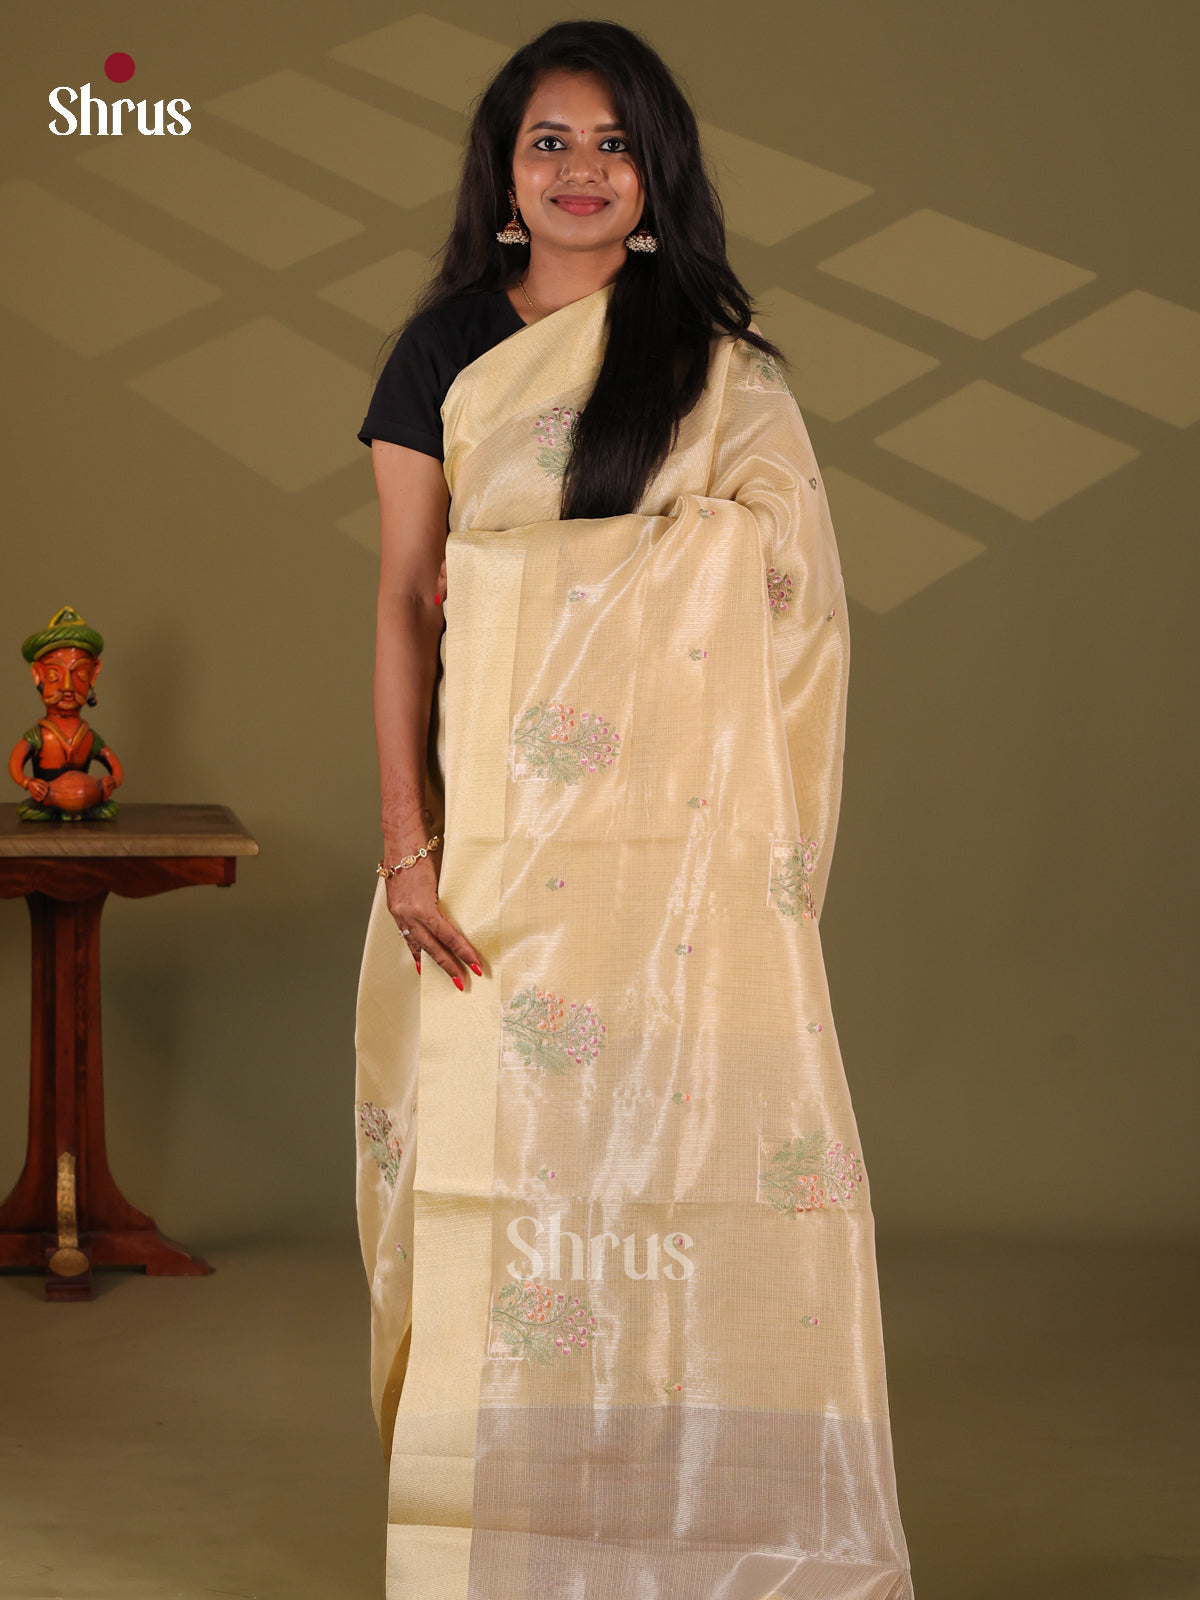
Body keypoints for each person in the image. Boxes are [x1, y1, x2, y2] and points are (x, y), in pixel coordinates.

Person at [354, 20, 914, 1599]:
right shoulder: (444, 354)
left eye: (613, 142)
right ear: (505, 174)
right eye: (550, 140)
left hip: (679, 867)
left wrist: (586, 572)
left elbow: (791, 594)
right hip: (492, 856)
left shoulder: (722, 373)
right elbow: (407, 601)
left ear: (657, 175)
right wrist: (408, 846)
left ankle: (719, 1542)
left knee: (680, 1176)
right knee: (496, 1193)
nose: (581, 169)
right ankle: (499, 1547)